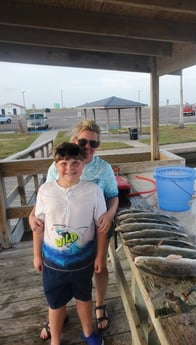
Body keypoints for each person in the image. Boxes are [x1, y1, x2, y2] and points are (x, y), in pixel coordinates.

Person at [29, 120, 119, 339]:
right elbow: (48, 199)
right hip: (57, 243)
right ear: (74, 141)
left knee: (97, 268)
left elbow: (113, 195)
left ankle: (98, 306)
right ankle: (56, 319)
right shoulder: (58, 166)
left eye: (93, 143)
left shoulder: (103, 169)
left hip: (97, 225)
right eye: (83, 141)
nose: (88, 146)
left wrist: (109, 214)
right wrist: (32, 216)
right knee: (56, 290)